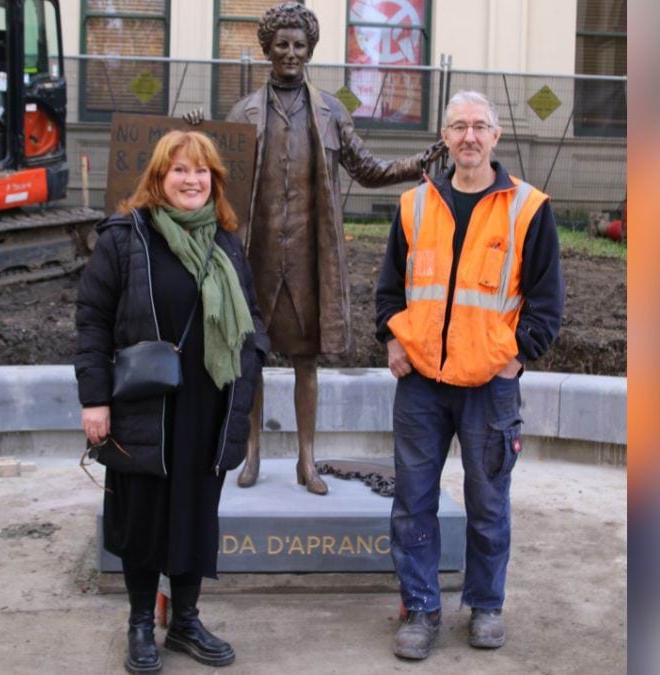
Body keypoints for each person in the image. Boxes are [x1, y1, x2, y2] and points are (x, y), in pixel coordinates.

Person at [187, 1, 444, 494]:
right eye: (281, 44)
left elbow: (368, 170)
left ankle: (307, 460)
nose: (290, 53)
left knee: (307, 362)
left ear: (310, 50)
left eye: (298, 45)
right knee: (252, 357)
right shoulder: (243, 113)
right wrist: (198, 133)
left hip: (309, 258)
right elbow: (214, 180)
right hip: (256, 255)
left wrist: (416, 163)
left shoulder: (329, 111)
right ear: (268, 49)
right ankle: (252, 453)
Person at [375, 90, 564, 660]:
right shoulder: (413, 206)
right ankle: (421, 609)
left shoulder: (528, 208)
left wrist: (517, 354)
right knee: (412, 501)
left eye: (479, 126)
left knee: (488, 502)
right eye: (458, 127)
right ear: (445, 137)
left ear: (497, 135)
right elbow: (387, 289)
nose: (469, 138)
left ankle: (485, 605)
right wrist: (390, 339)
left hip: (490, 386)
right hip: (422, 384)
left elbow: (547, 302)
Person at [75, 130, 270, 673]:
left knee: (195, 515)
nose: (192, 180)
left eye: (202, 171)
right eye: (180, 170)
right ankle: (140, 623)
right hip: (145, 405)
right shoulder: (125, 237)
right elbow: (91, 321)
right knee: (142, 519)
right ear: (159, 178)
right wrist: (95, 399)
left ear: (215, 180)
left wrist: (254, 358)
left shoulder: (225, 239)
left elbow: (251, 314)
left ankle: (184, 620)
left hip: (210, 403)